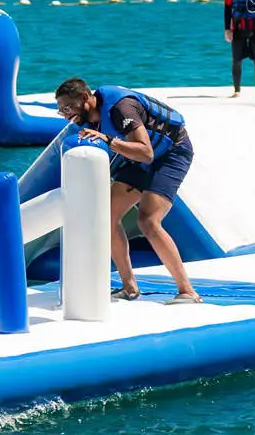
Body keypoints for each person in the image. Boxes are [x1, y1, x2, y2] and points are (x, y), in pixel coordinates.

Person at [53, 78, 201, 304]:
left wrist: (109, 140)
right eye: (61, 111)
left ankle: (188, 292)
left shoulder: (122, 109)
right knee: (107, 216)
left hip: (171, 153)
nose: (65, 116)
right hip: (137, 158)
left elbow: (146, 153)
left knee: (148, 221)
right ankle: (129, 287)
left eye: (67, 108)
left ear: (84, 98)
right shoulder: (86, 120)